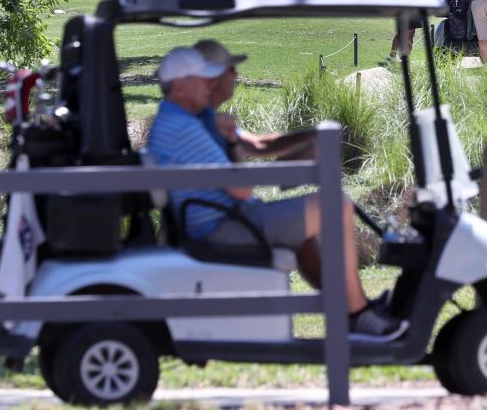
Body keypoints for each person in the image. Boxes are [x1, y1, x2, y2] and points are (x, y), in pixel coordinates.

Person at [147, 46, 406, 340]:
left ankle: (349, 310)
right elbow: (243, 190)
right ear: (180, 86)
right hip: (223, 225)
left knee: (304, 236)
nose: (208, 85)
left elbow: (249, 156)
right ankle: (359, 316)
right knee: (337, 206)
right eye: (201, 79)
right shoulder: (186, 127)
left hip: (224, 218)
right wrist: (232, 142)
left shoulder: (180, 120)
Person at [193, 40, 315, 162]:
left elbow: (259, 145)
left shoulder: (206, 116)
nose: (236, 75)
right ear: (213, 75)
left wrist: (314, 135)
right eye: (231, 68)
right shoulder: (203, 120)